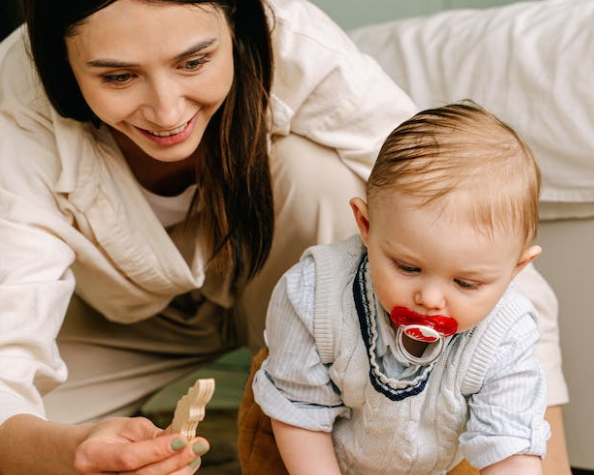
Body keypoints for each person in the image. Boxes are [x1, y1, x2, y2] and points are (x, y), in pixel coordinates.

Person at [0, 0, 569, 474]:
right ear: (60, 64)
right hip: (117, 322)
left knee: (329, 174)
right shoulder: (16, 113)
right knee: (28, 445)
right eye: (118, 76)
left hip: (296, 287)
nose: (167, 110)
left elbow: (485, 249)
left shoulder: (295, 43)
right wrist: (71, 449)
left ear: (237, 28)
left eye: (194, 61)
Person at [252, 102, 551, 474]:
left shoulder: (507, 332)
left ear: (516, 268)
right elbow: (300, 413)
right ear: (366, 225)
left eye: (465, 283)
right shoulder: (314, 293)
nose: (430, 299)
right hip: (299, 440)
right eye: (408, 267)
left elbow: (511, 449)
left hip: (427, 460)